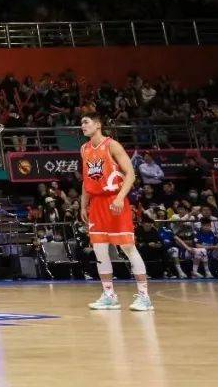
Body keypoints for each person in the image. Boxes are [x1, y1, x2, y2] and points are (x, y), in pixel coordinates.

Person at [80, 112, 153, 311]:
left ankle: (144, 297)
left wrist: (120, 197)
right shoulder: (84, 149)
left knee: (128, 248)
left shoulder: (112, 145)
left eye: (86, 122)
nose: (83, 126)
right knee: (99, 249)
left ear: (98, 124)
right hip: (96, 203)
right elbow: (86, 180)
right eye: (82, 123)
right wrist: (83, 204)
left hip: (114, 200)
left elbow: (130, 174)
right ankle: (109, 296)